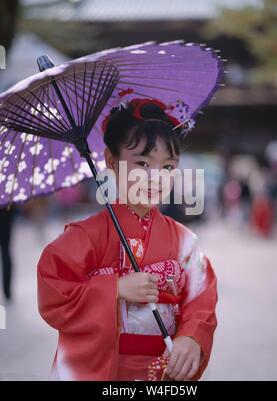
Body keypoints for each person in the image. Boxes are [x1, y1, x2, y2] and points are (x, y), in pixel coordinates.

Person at [37, 99, 218, 381]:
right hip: (103, 369)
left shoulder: (184, 240)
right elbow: (54, 292)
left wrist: (191, 338)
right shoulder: (85, 236)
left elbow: (201, 296)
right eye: (143, 163)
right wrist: (115, 288)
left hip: (162, 369)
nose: (156, 178)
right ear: (111, 161)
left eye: (168, 167)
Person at [0, 207, 14, 301]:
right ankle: (7, 291)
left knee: (6, 251)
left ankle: (7, 291)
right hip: (5, 211)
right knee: (6, 250)